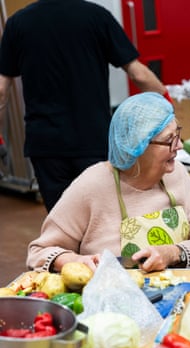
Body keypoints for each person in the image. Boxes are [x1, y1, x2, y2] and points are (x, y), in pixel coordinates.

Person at [0, 0, 170, 212]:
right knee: (104, 219)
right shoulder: (96, 16)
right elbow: (138, 74)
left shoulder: (17, 23)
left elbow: (1, 90)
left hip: (46, 145)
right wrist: (169, 108)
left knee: (62, 221)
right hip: (93, 141)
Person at [27, 92, 190, 273]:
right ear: (138, 146)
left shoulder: (177, 175)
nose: (180, 145)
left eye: (177, 134)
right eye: (170, 139)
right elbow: (39, 252)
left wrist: (173, 253)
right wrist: (73, 261)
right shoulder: (91, 185)